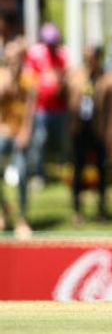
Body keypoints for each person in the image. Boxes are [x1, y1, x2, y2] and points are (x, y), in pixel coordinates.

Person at [67, 45, 112, 223]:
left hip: (99, 130)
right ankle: (77, 210)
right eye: (85, 56)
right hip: (80, 129)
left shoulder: (106, 79)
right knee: (78, 169)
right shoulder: (77, 76)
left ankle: (101, 210)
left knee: (101, 171)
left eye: (91, 56)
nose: (88, 59)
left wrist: (111, 134)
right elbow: (66, 95)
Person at [25, 22, 69, 188]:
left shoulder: (63, 54)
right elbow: (29, 78)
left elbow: (67, 75)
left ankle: (66, 174)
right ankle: (38, 174)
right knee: (39, 141)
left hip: (60, 108)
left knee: (64, 143)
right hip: (41, 108)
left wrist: (60, 83)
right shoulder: (36, 54)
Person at [0, 39, 35, 238]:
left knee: (21, 174)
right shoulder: (2, 76)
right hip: (2, 132)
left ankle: (22, 218)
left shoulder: (29, 80)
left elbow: (30, 112)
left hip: (19, 133)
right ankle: (2, 211)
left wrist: (25, 133)